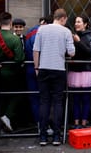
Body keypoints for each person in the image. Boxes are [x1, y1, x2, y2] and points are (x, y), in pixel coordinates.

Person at [33, 8, 75, 146]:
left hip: (44, 68)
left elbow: (36, 50)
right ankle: (57, 136)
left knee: (44, 101)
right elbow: (71, 52)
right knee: (57, 102)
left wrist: (36, 67)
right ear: (62, 18)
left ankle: (43, 136)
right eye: (66, 20)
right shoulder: (66, 31)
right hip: (59, 69)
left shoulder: (42, 29)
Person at [67, 16, 91, 129]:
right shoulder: (72, 36)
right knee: (75, 99)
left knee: (86, 98)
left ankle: (84, 123)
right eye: (75, 22)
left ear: (85, 24)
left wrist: (79, 41)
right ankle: (76, 123)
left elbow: (90, 52)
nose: (76, 24)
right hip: (75, 71)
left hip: (87, 71)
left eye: (79, 22)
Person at [0, 12, 25, 132]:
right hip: (11, 74)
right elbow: (19, 58)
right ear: (11, 23)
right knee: (17, 94)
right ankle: (7, 116)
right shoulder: (15, 39)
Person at [25, 16, 53, 126]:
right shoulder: (42, 33)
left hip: (30, 68)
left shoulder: (30, 32)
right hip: (41, 68)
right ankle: (45, 124)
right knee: (45, 97)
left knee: (34, 97)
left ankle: (38, 123)